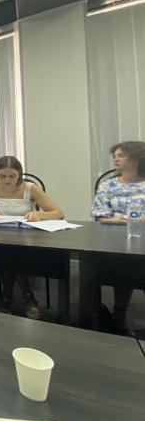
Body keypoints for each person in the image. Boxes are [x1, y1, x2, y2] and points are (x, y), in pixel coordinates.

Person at [0, 156, 64, 319]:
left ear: (19, 174)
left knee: (12, 256)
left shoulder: (30, 188)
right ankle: (28, 297)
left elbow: (58, 213)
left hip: (26, 238)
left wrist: (39, 214)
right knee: (6, 253)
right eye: (2, 176)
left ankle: (7, 297)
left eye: (12, 176)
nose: (7, 181)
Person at [90, 141, 145, 335]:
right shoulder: (107, 185)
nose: (116, 159)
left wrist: (136, 219)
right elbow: (99, 216)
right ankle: (119, 314)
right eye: (115, 156)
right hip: (114, 238)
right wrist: (112, 219)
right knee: (122, 266)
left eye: (121, 155)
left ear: (136, 159)